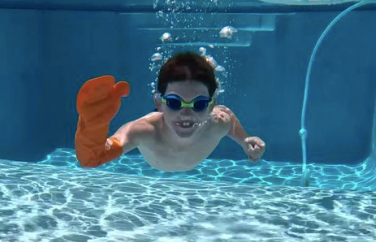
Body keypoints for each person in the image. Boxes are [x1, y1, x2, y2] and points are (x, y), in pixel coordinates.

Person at [74, 52, 265, 171]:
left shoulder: (218, 123)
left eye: (199, 104)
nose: (186, 113)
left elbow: (228, 117)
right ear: (159, 103)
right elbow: (92, 158)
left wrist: (245, 141)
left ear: (210, 105)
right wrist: (92, 124)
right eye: (174, 103)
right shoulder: (142, 131)